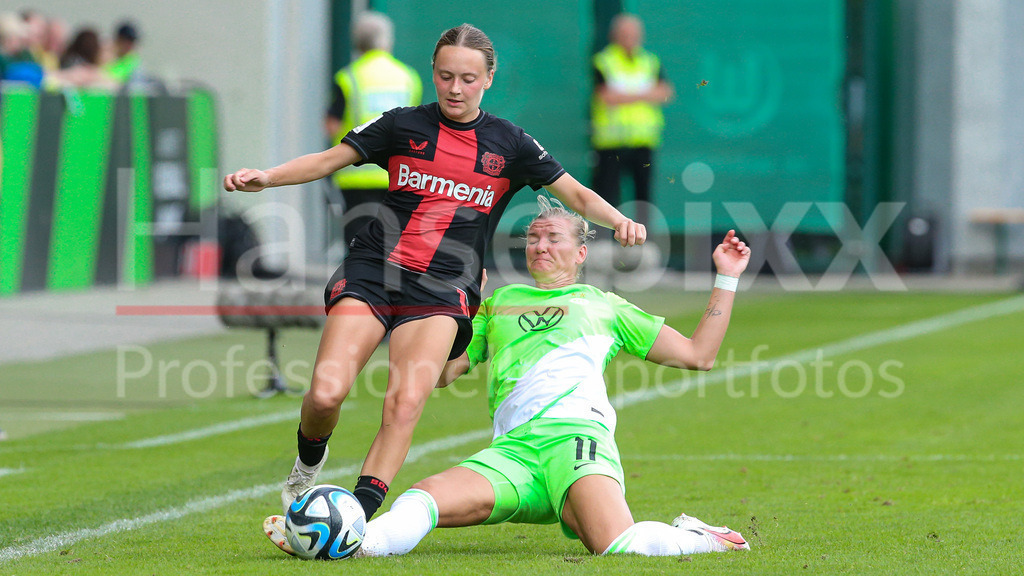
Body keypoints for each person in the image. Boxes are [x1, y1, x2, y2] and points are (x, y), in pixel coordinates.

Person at [223, 23, 647, 522]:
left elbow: (573, 192)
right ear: (434, 73)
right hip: (375, 270)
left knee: (403, 405)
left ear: (488, 78)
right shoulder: (402, 125)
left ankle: (355, 521)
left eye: (467, 78)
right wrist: (267, 178)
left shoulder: (509, 141)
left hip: (445, 289)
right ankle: (305, 468)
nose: (455, 88)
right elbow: (329, 160)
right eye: (445, 76)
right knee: (324, 393)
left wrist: (618, 219)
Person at [263, 197, 751, 558]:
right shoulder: (498, 302)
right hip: (512, 454)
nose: (539, 245)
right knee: (423, 496)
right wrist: (458, 307)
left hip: (575, 442)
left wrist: (726, 276)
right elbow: (441, 374)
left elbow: (698, 354)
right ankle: (344, 539)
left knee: (617, 545)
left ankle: (704, 539)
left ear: (581, 253)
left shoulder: (605, 305)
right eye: (533, 237)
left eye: (553, 237)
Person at [325, 11, 422, 250]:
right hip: (397, 173)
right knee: (392, 241)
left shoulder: (348, 77)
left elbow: (331, 124)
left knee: (359, 240)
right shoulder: (409, 77)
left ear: (357, 42)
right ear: (387, 40)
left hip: (354, 173)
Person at [590, 14, 673, 226]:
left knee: (643, 199)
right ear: (614, 35)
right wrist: (645, 94)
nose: (630, 38)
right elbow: (606, 97)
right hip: (610, 144)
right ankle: (603, 244)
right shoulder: (603, 60)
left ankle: (644, 244)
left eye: (633, 34)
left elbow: (666, 92)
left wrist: (624, 96)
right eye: (625, 34)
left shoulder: (650, 61)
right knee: (607, 197)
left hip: (643, 142)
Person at [103, 21, 141, 86]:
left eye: (132, 41)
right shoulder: (104, 55)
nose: (129, 45)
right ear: (118, 39)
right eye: (126, 40)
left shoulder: (132, 60)